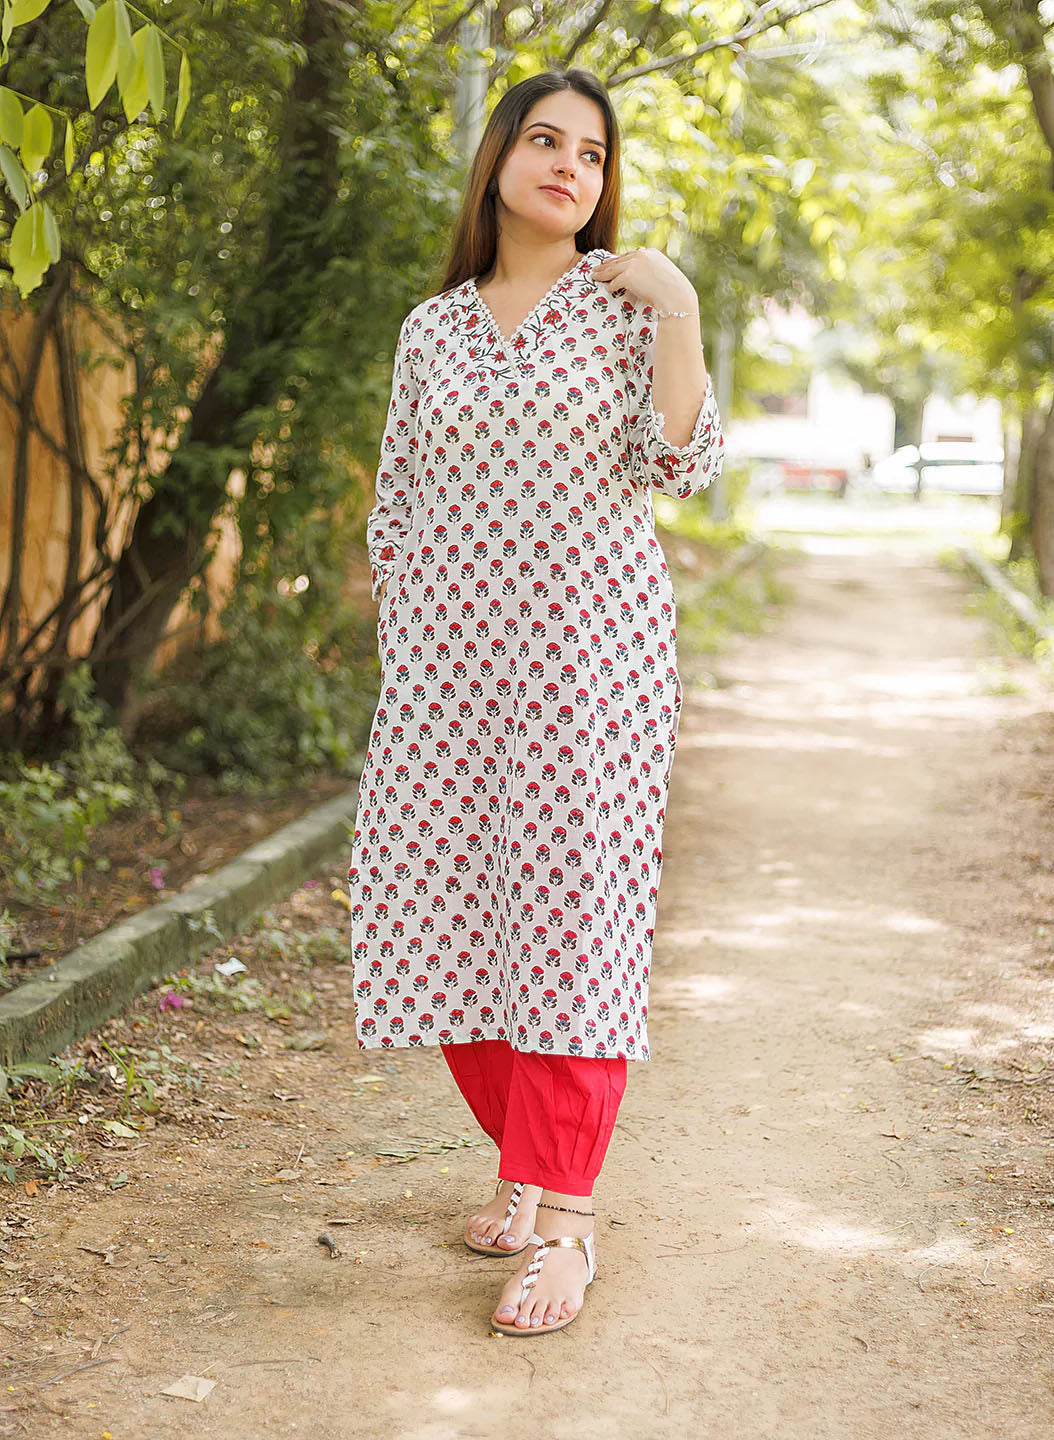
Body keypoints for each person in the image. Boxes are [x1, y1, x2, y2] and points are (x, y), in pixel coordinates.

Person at [348, 65, 724, 1338]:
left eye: (595, 154)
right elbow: (395, 506)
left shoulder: (624, 310)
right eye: (547, 140)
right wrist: (408, 646)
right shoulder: (431, 329)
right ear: (502, 156)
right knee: (438, 916)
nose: (572, 165)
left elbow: (681, 463)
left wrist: (674, 307)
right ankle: (529, 1161)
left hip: (588, 671)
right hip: (444, 679)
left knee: (570, 926)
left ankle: (566, 1218)